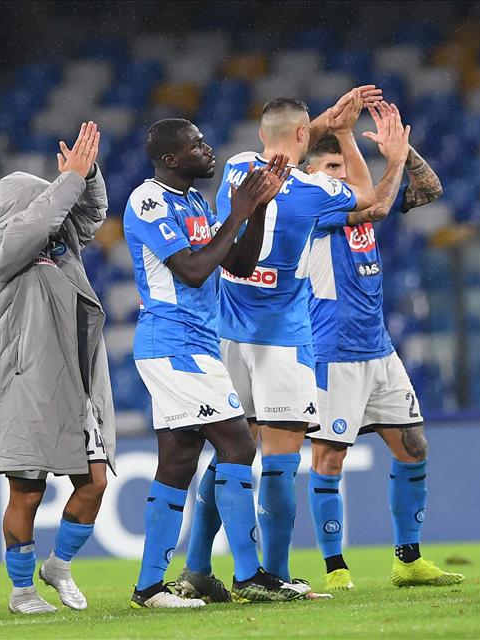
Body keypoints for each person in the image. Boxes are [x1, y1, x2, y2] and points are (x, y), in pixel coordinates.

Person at [178, 87, 388, 595]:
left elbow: (281, 150)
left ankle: (196, 570)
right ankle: (270, 575)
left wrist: (310, 127)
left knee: (230, 452)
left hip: (227, 334)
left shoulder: (235, 168)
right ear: (302, 135)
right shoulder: (316, 190)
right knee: (280, 456)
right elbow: (367, 193)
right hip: (283, 337)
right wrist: (340, 132)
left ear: (260, 136)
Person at [123, 117, 300, 608]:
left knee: (178, 463)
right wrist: (239, 210)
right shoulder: (148, 200)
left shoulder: (197, 203)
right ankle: (249, 575)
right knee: (238, 445)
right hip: (173, 343)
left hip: (197, 343)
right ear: (172, 159)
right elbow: (195, 271)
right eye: (197, 145)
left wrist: (257, 209)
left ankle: (149, 588)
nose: (209, 149)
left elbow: (239, 265)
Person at [304, 103, 463, 592]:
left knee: (413, 447)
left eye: (343, 168)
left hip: (378, 348)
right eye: (329, 167)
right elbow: (373, 203)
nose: (339, 176)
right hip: (332, 349)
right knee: (330, 458)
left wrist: (403, 151)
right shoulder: (309, 208)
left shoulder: (366, 199)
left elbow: (430, 189)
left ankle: (408, 560)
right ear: (309, 175)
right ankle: (335, 570)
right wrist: (385, 160)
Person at [0, 122, 115, 615]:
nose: (57, 209)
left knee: (94, 482)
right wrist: (67, 181)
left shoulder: (62, 243)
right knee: (27, 492)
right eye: (46, 201)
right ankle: (21, 592)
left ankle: (59, 565)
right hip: (23, 382)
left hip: (76, 382)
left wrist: (86, 173)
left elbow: (90, 211)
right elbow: (35, 224)